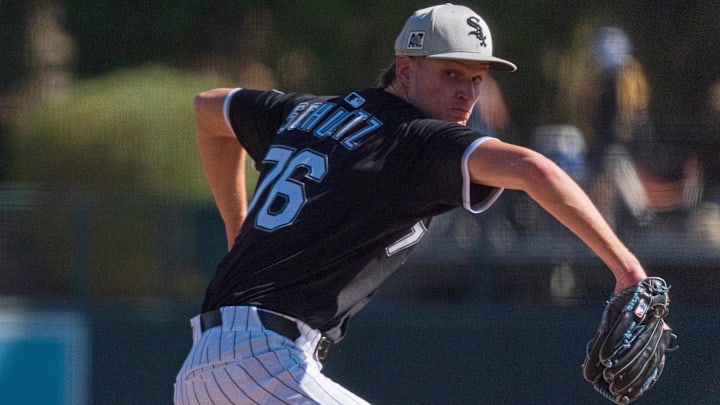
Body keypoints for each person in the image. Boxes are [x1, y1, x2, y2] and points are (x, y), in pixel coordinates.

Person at [174, 4, 652, 404]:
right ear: (405, 70)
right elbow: (535, 170)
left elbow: (208, 109)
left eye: (477, 77)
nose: (467, 92)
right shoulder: (415, 138)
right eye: (450, 73)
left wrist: (237, 232)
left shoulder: (307, 110)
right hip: (263, 363)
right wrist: (628, 269)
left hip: (203, 371)